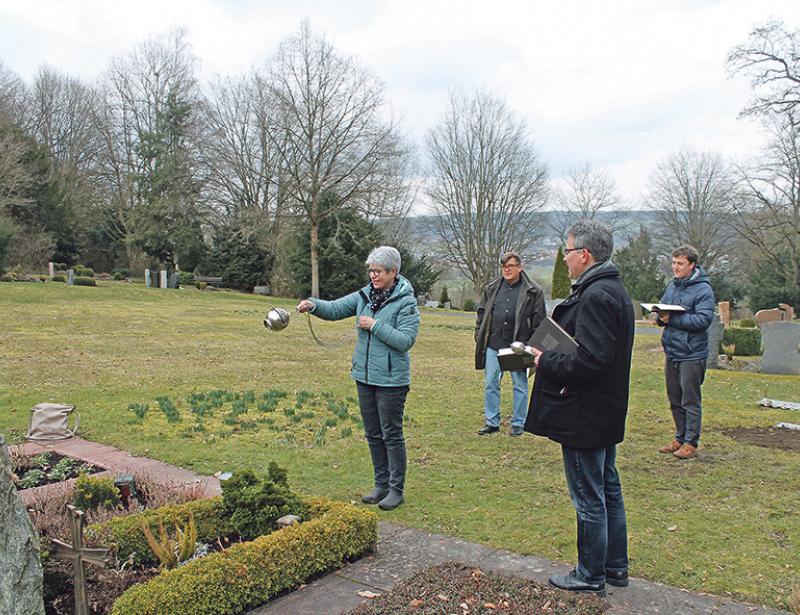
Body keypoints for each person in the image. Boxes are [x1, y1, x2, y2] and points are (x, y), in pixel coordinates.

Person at [525, 220, 634, 596]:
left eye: (568, 251)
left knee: (589, 495)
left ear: (584, 255)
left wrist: (544, 361)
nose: (565, 258)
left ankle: (590, 574)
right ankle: (614, 567)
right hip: (601, 409)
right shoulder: (608, 290)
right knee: (607, 488)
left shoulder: (597, 296)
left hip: (585, 413)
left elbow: (591, 359)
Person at [297, 246, 419, 511]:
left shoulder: (406, 302)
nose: (373, 276)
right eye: (371, 271)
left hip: (391, 381)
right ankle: (381, 485)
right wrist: (313, 305)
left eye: (378, 271)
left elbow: (405, 341)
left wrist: (375, 326)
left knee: (391, 434)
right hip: (363, 377)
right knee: (373, 434)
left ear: (393, 272)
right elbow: (336, 308)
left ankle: (396, 490)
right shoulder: (365, 295)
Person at [474, 251, 546, 436]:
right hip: (493, 344)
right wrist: (479, 334)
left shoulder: (533, 291)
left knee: (519, 385)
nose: (506, 269)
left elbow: (539, 322)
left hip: (518, 347)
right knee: (491, 383)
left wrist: (532, 347)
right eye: (504, 266)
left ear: (520, 267)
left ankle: (519, 424)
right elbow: (481, 312)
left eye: (510, 266)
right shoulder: (492, 288)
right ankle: (492, 422)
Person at [656, 245, 715, 460]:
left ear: (692, 265)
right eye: (673, 263)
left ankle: (691, 442)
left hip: (692, 353)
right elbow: (662, 309)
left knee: (690, 400)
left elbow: (703, 320)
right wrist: (659, 316)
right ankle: (679, 437)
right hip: (672, 351)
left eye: (680, 263)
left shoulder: (703, 290)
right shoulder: (672, 286)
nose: (675, 267)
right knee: (674, 398)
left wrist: (674, 319)